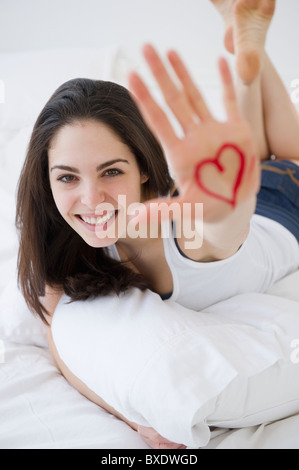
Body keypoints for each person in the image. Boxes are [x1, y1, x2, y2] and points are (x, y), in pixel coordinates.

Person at [15, 0, 299, 449]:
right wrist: (132, 420)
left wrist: (228, 209)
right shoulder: (59, 241)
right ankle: (247, 44)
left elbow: (218, 233)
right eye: (68, 177)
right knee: (247, 157)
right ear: (45, 179)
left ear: (144, 167)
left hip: (286, 204)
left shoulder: (183, 221)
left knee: (277, 159)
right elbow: (61, 344)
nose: (90, 201)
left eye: (111, 171)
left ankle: (252, 51)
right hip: (235, 192)